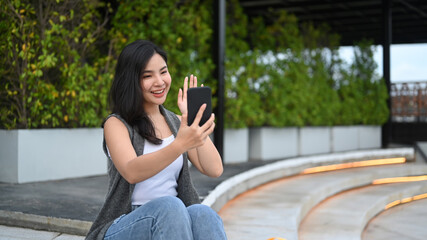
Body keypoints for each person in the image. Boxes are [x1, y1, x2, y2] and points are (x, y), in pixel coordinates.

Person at [85, 40, 227, 240]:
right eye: (147, 76)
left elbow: (214, 169)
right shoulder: (116, 124)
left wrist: (195, 124)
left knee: (203, 214)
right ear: (131, 80)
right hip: (126, 223)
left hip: (173, 219)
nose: (159, 81)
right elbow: (132, 172)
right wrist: (180, 145)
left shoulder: (178, 123)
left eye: (163, 71)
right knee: (170, 206)